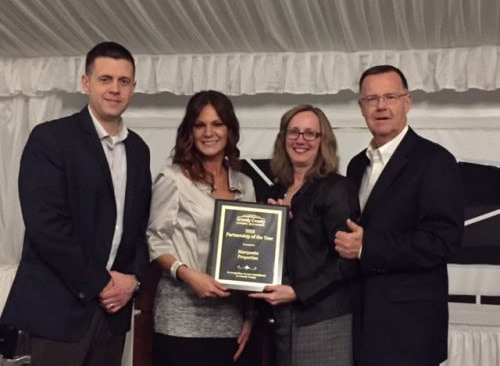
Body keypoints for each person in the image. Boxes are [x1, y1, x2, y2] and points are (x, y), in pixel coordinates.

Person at [0, 41, 152, 366]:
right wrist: (101, 283)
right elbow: (46, 227)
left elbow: (139, 228)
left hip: (113, 314)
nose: (115, 89)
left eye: (123, 81)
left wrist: (134, 281)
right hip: (58, 311)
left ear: (133, 87)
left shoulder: (139, 150)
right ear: (86, 83)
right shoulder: (50, 139)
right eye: (105, 79)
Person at [334, 65, 465, 366]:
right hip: (361, 323)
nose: (381, 106)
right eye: (372, 99)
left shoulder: (435, 161)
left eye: (390, 96)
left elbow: (443, 241)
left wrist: (368, 247)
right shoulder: (356, 166)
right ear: (361, 107)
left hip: (410, 331)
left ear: (407, 102)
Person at [147, 90, 256, 366]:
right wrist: (188, 275)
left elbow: (252, 252)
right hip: (180, 318)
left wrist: (250, 315)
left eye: (217, 124)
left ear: (229, 130)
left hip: (230, 318)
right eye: (200, 125)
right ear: (190, 132)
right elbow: (155, 241)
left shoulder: (244, 184)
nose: (209, 132)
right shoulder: (173, 178)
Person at [249, 104, 360, 366]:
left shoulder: (337, 189)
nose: (301, 139)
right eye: (294, 132)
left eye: (311, 133)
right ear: (283, 138)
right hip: (282, 318)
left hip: (323, 319)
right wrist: (272, 226)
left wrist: (298, 291)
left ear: (324, 142)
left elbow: (347, 263)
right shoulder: (273, 191)